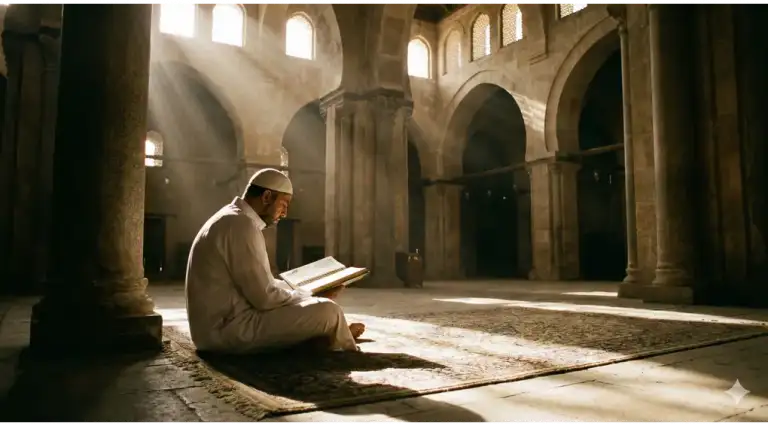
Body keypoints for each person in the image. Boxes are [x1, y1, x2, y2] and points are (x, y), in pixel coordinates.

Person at [185, 168, 365, 354]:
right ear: (267, 197)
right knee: (329, 311)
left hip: (216, 328)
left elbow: (265, 286)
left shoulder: (231, 218)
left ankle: (329, 334)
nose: (285, 213)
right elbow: (265, 298)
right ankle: (337, 338)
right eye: (284, 204)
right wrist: (312, 295)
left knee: (315, 308)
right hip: (228, 330)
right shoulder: (241, 225)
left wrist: (305, 291)